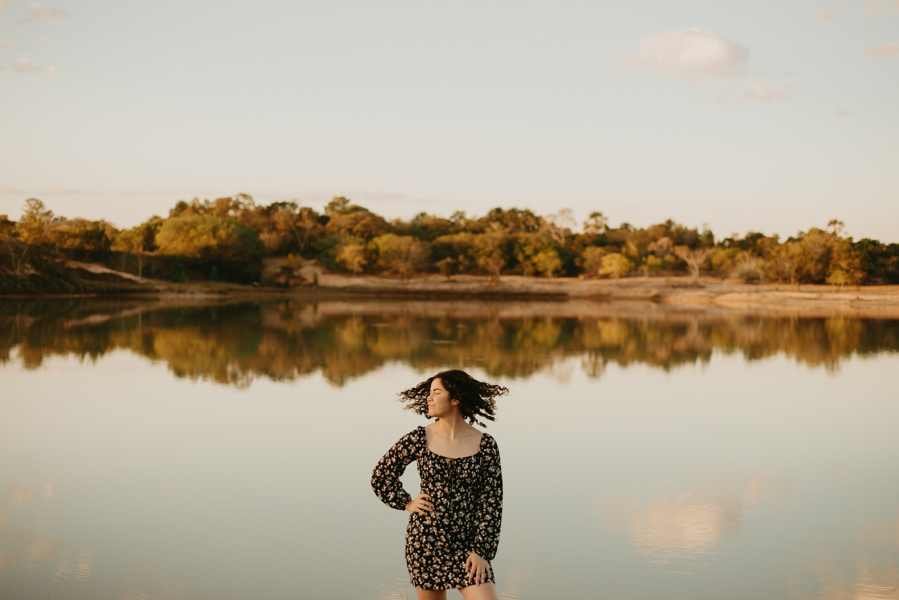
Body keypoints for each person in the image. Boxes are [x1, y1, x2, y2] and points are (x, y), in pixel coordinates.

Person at [372, 370, 508, 600]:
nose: (429, 398)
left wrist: (481, 551)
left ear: (456, 399)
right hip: (426, 543)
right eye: (429, 393)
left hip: (469, 547)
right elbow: (381, 475)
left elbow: (492, 502)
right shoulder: (418, 439)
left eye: (436, 392)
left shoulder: (486, 445)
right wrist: (407, 503)